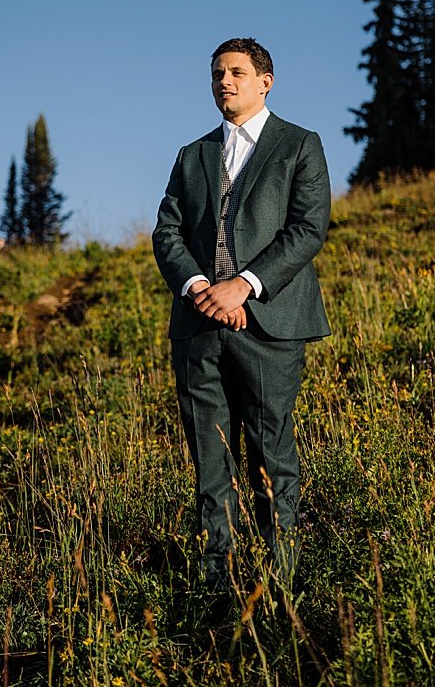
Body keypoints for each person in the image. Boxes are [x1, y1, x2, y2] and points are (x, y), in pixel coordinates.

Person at [152, 38, 331, 614]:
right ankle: (217, 590)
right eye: (216, 74)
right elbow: (167, 232)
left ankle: (280, 586)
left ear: (265, 80)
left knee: (270, 455)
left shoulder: (300, 146)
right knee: (209, 460)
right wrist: (199, 287)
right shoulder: (191, 154)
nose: (223, 82)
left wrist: (244, 285)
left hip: (270, 326)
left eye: (235, 72)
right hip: (199, 327)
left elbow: (307, 229)